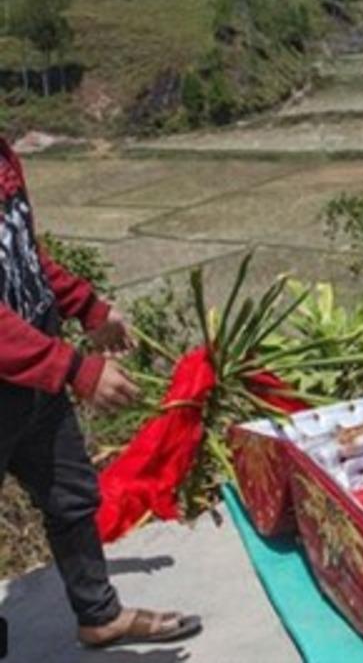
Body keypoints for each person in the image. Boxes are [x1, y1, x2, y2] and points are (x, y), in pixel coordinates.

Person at [0, 137, 201, 649]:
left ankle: (99, 615)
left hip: (32, 382)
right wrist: (73, 369)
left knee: (71, 495)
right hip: (32, 369)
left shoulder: (3, 156)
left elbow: (24, 255)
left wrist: (88, 307)